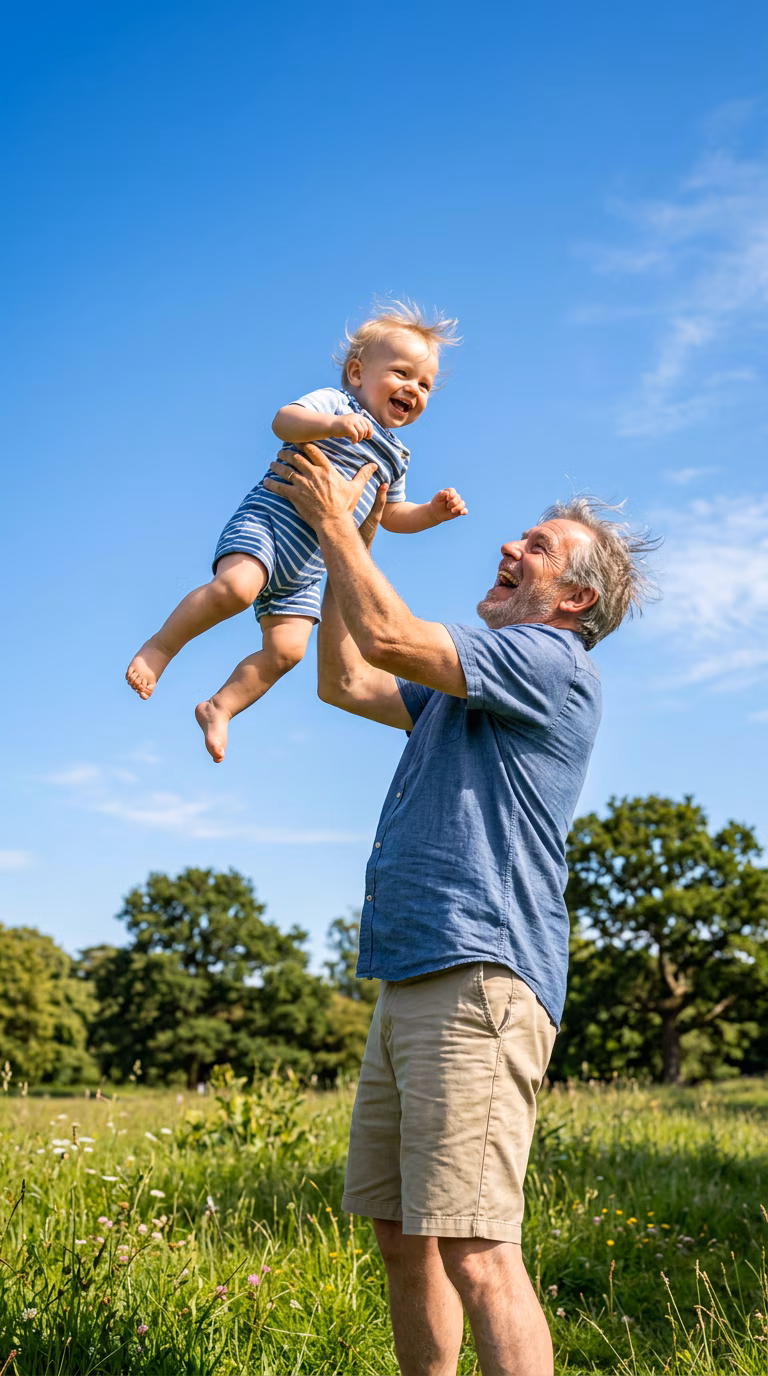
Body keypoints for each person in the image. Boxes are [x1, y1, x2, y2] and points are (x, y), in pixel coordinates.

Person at [261, 442, 658, 1376]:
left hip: (482, 976)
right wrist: (346, 539)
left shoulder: (546, 661)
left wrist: (332, 523)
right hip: (416, 971)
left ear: (574, 599)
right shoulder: (470, 685)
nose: (511, 546)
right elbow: (348, 677)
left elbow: (394, 637)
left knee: (481, 1250)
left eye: (538, 545)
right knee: (404, 1236)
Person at [125, 302, 466, 763]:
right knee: (237, 588)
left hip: (307, 568)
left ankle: (220, 706)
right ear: (356, 372)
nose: (414, 389)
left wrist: (432, 513)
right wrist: (333, 426)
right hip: (271, 524)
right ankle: (160, 647)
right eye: (402, 373)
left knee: (287, 651)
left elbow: (390, 513)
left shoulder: (397, 454)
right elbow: (282, 421)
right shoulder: (334, 403)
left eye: (424, 384)